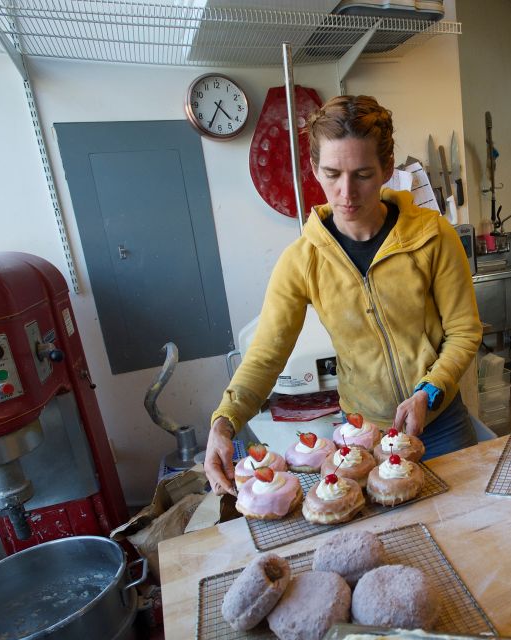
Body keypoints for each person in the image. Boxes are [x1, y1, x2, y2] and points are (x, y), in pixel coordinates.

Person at [205, 94, 481, 495]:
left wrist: (429, 389)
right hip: (362, 438)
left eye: (363, 174)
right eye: (332, 173)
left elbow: (464, 331)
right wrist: (223, 422)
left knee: (463, 520)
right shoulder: (302, 260)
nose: (346, 192)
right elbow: (266, 355)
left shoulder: (433, 237)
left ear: (387, 169)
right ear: (315, 169)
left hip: (440, 424)